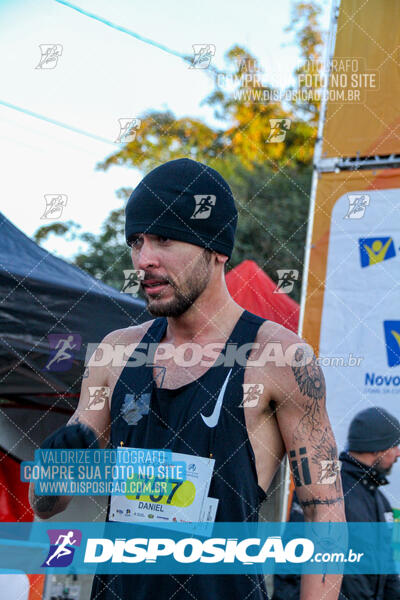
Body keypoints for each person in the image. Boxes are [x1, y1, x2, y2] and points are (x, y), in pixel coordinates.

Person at [29, 158, 345, 599]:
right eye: (136, 242)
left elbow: (325, 511)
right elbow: (49, 506)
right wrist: (54, 474)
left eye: (163, 239)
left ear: (217, 248)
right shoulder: (116, 353)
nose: (144, 260)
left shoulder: (279, 356)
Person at [272, 406, 400, 600]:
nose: (398, 454)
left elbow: (388, 571)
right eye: (394, 445)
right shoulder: (326, 486)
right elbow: (292, 559)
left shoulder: (379, 500)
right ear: (377, 448)